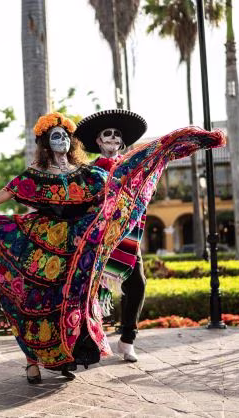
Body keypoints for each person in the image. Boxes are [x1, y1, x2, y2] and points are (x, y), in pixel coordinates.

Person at [0, 112, 225, 384]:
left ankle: (65, 357)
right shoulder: (34, 175)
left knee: (69, 304)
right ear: (45, 143)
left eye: (66, 136)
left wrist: (163, 150)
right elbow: (2, 195)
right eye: (56, 136)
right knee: (33, 302)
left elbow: (119, 190)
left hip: (76, 250)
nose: (63, 141)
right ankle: (32, 361)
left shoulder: (88, 174)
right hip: (40, 248)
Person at [75, 109, 148, 362]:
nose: (113, 138)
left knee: (137, 283)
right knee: (88, 291)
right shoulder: (87, 171)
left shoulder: (133, 167)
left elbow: (142, 196)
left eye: (117, 135)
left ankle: (128, 339)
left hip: (125, 237)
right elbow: (82, 203)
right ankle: (91, 340)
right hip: (96, 239)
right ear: (98, 140)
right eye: (108, 134)